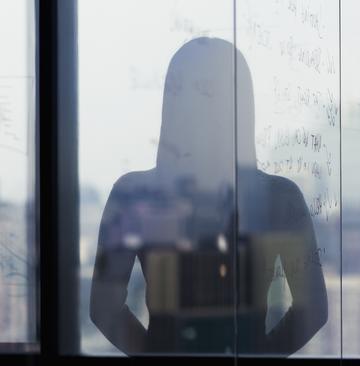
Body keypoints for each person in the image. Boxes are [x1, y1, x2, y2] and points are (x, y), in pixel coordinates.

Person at [90, 37, 328, 356]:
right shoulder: (280, 197)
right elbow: (312, 311)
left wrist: (155, 357)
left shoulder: (133, 194)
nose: (190, 102)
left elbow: (104, 307)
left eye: (204, 90)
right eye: (180, 88)